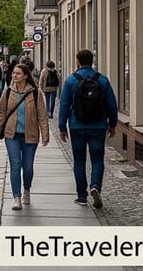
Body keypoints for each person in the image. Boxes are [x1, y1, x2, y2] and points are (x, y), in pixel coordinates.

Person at [58, 49, 119, 209]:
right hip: (98, 126)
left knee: (79, 161)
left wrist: (62, 126)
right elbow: (112, 104)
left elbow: (64, 104)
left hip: (77, 126)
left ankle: (82, 196)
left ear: (77, 61)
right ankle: (95, 186)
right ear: (92, 61)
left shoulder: (71, 80)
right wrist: (112, 124)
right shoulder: (102, 80)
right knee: (98, 159)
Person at [0, 63, 49, 210]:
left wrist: (45, 134)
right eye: (14, 73)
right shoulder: (8, 91)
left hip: (30, 135)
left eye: (18, 73)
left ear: (25, 76)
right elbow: (1, 113)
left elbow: (42, 115)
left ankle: (27, 189)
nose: (14, 75)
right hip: (12, 135)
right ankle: (16, 197)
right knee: (15, 165)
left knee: (28, 167)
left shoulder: (36, 93)